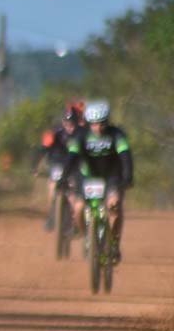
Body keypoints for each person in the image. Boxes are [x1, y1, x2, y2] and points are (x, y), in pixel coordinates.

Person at [64, 99, 133, 262]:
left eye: (101, 123)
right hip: (88, 175)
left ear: (107, 122)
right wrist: (64, 177)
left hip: (111, 175)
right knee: (79, 209)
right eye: (93, 124)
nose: (98, 128)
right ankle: (87, 237)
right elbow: (72, 157)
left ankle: (114, 243)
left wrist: (128, 177)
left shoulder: (117, 134)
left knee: (114, 209)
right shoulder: (81, 135)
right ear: (88, 123)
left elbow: (126, 157)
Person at [37, 103, 83, 231]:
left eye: (72, 124)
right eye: (67, 124)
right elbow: (42, 149)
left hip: (74, 165)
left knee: (73, 190)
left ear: (77, 122)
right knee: (53, 186)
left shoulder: (82, 133)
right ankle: (52, 214)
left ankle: (75, 220)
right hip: (58, 163)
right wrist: (35, 166)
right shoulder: (54, 132)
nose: (70, 127)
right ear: (63, 122)